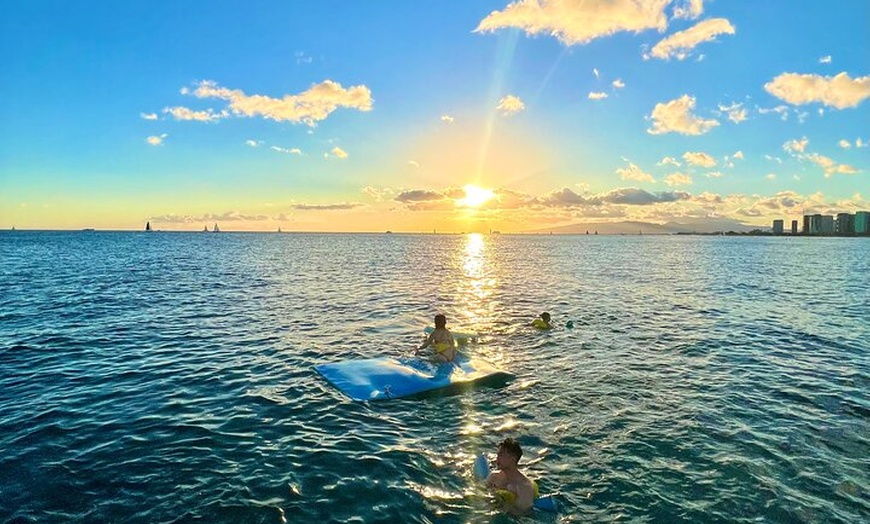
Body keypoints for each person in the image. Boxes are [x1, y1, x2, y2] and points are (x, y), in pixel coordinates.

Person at [486, 438, 537, 515]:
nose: (497, 458)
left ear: (512, 459)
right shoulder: (493, 476)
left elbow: (523, 513)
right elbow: (482, 493)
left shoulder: (524, 487)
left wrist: (503, 503)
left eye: (501, 455)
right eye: (497, 454)